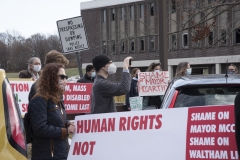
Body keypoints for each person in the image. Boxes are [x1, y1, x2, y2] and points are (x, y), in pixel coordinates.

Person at [28, 63, 75, 160]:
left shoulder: (57, 99)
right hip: (47, 155)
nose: (65, 80)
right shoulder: (39, 100)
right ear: (51, 77)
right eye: (61, 76)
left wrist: (68, 124)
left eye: (66, 77)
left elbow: (59, 121)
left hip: (61, 152)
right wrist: (65, 131)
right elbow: (40, 128)